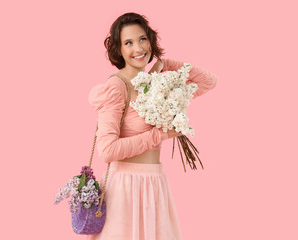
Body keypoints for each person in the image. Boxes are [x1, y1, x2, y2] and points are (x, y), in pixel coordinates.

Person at [87, 12, 217, 240]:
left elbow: (209, 81)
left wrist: (166, 65)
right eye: (128, 42)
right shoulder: (118, 87)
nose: (138, 48)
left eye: (142, 39)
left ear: (151, 41)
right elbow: (107, 151)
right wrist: (160, 135)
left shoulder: (158, 84)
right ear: (118, 50)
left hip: (155, 184)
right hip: (125, 190)